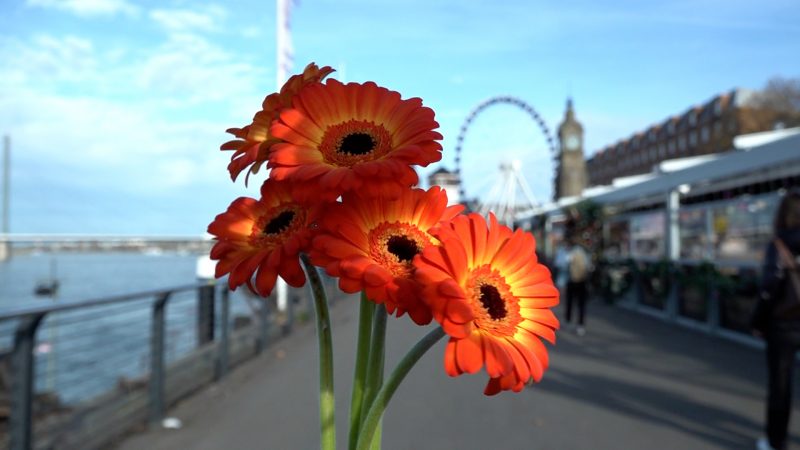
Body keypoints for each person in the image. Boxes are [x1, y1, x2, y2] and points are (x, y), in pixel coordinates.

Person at [752, 189, 800, 450]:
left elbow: (770, 287)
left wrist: (758, 321)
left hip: (783, 323)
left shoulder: (779, 244)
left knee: (780, 384)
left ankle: (776, 442)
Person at [565, 236, 593, 336]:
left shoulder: (572, 252)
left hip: (572, 280)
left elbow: (564, 263)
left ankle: (568, 321)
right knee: (581, 304)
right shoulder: (586, 253)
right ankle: (580, 325)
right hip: (582, 280)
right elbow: (589, 267)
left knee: (570, 302)